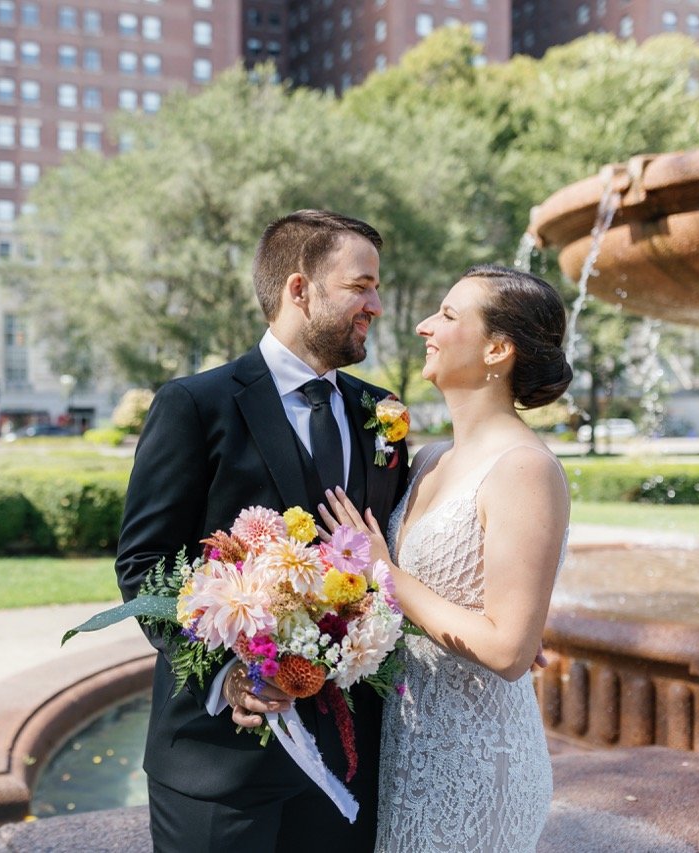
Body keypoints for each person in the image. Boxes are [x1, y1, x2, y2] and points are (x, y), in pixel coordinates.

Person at [116, 209, 410, 850]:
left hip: (347, 763)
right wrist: (227, 673)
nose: (377, 306)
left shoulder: (380, 414)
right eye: (360, 287)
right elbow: (145, 564)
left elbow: (396, 554)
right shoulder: (196, 405)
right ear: (299, 289)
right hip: (220, 764)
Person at [322, 264, 572, 853]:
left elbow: (509, 653)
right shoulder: (429, 459)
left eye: (449, 315)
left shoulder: (524, 469)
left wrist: (384, 572)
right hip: (406, 749)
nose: (424, 325)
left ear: (497, 349)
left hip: (478, 763)